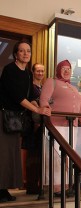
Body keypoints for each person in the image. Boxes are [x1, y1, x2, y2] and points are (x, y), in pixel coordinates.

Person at [0, 41, 51, 202]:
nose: (25, 53)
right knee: (3, 154)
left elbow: (29, 97)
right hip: (5, 117)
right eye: (21, 51)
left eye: (28, 51)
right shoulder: (9, 70)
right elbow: (17, 96)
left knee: (13, 155)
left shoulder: (28, 73)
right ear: (16, 54)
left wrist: (41, 107)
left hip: (17, 120)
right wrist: (37, 110)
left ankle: (5, 189)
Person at [39, 59, 81, 195]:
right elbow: (44, 99)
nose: (66, 71)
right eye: (63, 68)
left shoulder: (73, 88)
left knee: (68, 157)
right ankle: (56, 187)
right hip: (55, 125)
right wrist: (45, 109)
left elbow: (80, 107)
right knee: (55, 157)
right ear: (58, 70)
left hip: (72, 127)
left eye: (69, 69)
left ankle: (66, 185)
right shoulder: (51, 81)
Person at [24, 63, 46, 194]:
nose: (40, 73)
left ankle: (38, 184)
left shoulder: (43, 87)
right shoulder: (29, 87)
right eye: (38, 71)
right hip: (33, 126)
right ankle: (31, 187)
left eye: (42, 71)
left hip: (42, 126)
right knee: (33, 156)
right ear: (33, 72)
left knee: (39, 156)